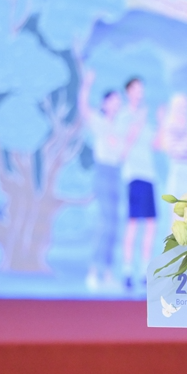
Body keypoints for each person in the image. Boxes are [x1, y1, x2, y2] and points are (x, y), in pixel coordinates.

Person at [79, 70, 124, 291]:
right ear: (105, 103)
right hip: (103, 171)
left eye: (119, 101)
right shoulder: (99, 121)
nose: (117, 104)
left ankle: (107, 272)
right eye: (113, 100)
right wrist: (87, 84)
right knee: (105, 223)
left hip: (116, 173)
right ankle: (93, 271)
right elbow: (83, 108)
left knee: (114, 224)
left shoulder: (119, 125)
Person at [119, 77, 161, 290]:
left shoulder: (146, 116)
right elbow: (124, 145)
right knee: (133, 223)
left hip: (149, 175)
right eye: (136, 89)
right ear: (128, 92)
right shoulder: (124, 116)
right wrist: (138, 121)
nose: (140, 92)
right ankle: (127, 270)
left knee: (151, 224)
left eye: (141, 89)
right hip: (134, 175)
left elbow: (156, 144)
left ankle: (145, 270)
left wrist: (160, 123)